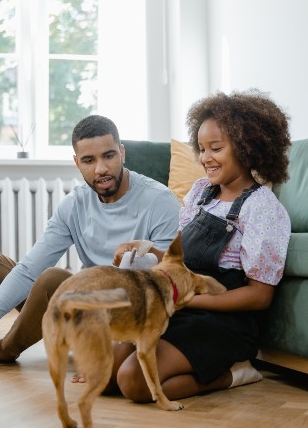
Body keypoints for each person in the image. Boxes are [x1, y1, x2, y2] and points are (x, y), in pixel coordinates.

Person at [0, 114, 181, 372]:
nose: (101, 169)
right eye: (89, 160)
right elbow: (29, 269)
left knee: (53, 278)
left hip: (123, 312)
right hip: (80, 306)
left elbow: (167, 284)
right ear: (77, 163)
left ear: (122, 153)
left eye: (108, 156)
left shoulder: (160, 201)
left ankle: (4, 350)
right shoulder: (73, 205)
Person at [106, 89, 291, 402]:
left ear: (248, 148)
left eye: (215, 148)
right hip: (182, 308)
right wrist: (148, 253)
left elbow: (259, 296)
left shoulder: (262, 208)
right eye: (202, 148)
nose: (205, 157)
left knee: (135, 382)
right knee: (108, 373)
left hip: (224, 323)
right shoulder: (201, 192)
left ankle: (234, 373)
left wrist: (187, 300)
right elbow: (182, 263)